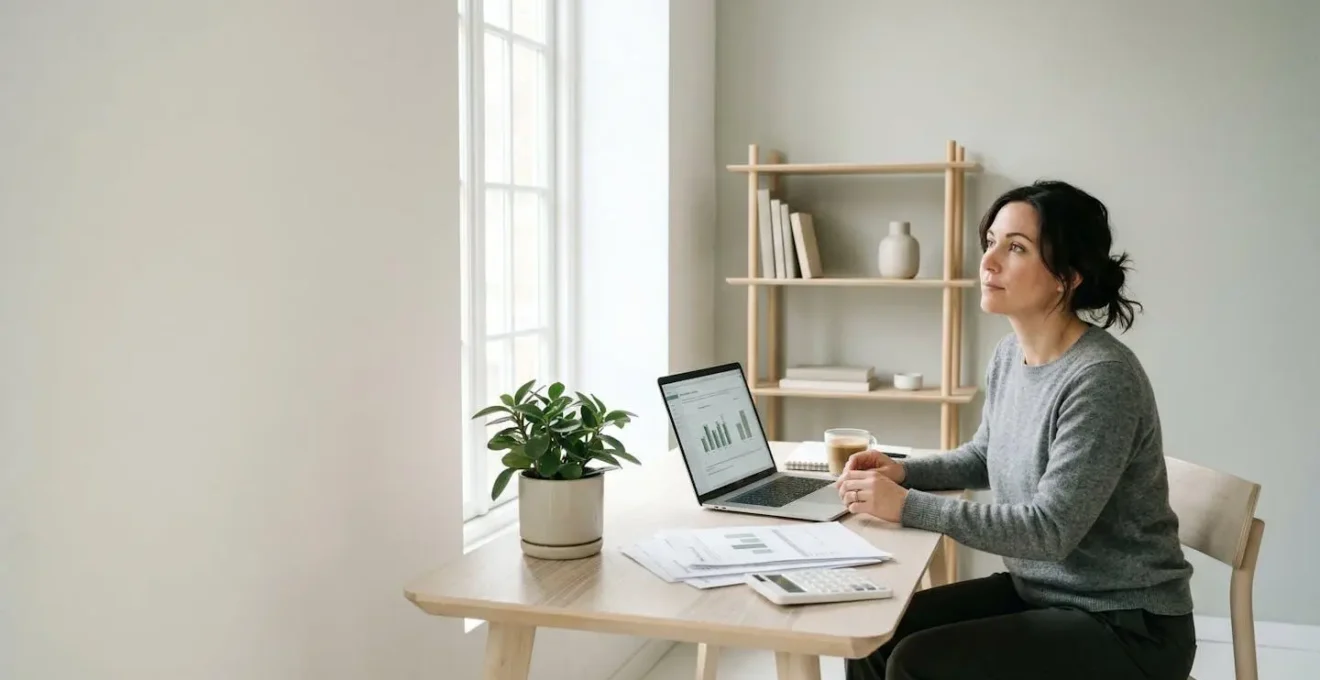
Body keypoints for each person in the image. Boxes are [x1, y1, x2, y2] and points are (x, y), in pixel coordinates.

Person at [835, 180, 1196, 680]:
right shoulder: (1010, 355)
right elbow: (985, 456)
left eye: (1016, 248)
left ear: (1066, 276)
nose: (989, 262)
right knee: (873, 636)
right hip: (1042, 595)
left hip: (1125, 625)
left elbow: (1050, 531)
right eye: (991, 243)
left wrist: (908, 508)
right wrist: (903, 472)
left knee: (917, 665)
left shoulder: (1101, 379)